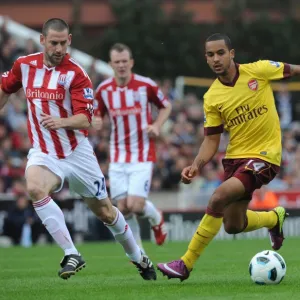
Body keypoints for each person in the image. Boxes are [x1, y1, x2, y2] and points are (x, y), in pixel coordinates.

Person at [0, 18, 156, 281]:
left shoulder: (76, 74)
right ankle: (71, 252)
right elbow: (5, 87)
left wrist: (60, 122)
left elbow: (85, 119)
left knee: (106, 211)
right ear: (42, 40)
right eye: (53, 43)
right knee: (35, 187)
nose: (59, 48)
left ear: (69, 40)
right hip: (44, 152)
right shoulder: (24, 66)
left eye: (63, 43)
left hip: (77, 154)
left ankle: (138, 256)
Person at [157, 33, 295, 281]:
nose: (216, 58)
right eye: (210, 55)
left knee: (219, 196)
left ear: (231, 54)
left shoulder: (259, 70)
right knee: (233, 225)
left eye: (220, 52)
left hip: (266, 156)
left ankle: (185, 263)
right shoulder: (212, 97)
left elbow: (295, 70)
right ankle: (274, 218)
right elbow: (211, 140)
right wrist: (196, 165)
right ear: (206, 59)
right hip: (235, 159)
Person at [93, 43, 171, 251]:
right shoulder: (103, 90)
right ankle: (140, 253)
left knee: (135, 204)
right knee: (124, 208)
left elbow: (166, 105)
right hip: (118, 156)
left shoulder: (145, 85)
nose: (121, 65)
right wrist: (96, 122)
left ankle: (157, 219)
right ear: (110, 64)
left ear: (131, 63)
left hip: (142, 153)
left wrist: (156, 125)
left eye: (124, 61)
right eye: (117, 62)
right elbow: (96, 115)